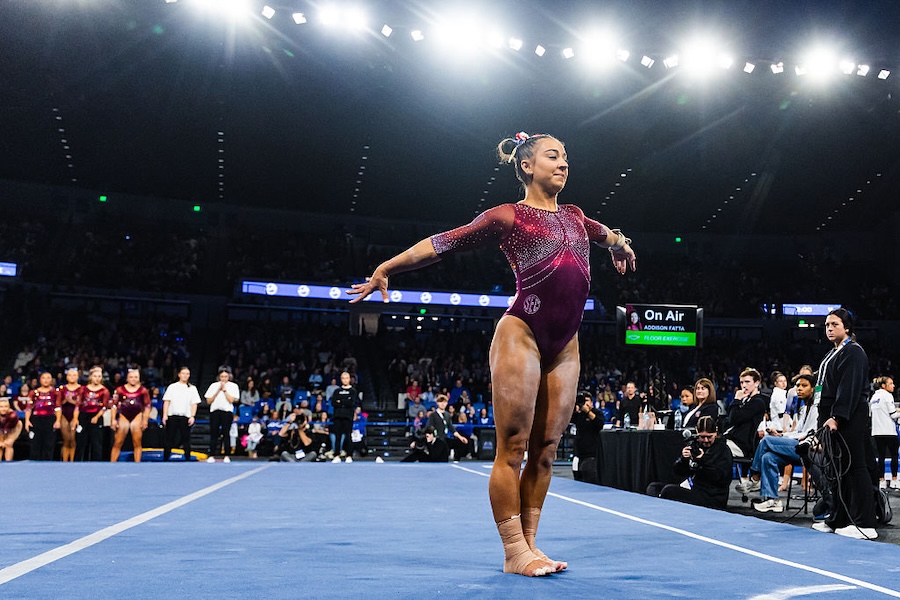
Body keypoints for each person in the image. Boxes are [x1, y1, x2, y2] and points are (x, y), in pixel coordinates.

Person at [348, 131, 635, 577]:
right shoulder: (507, 216)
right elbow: (443, 242)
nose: (564, 164)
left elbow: (606, 235)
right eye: (553, 156)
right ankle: (512, 550)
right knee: (514, 446)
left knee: (545, 450)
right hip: (522, 331)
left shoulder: (576, 216)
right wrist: (386, 267)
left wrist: (621, 245)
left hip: (566, 343)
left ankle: (531, 546)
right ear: (526, 166)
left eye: (566, 158)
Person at [812, 308, 877, 540]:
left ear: (847, 328)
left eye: (834, 324)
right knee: (837, 471)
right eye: (827, 325)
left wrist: (837, 417)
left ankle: (865, 523)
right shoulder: (834, 352)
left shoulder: (853, 352)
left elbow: (848, 389)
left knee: (855, 467)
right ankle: (838, 518)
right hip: (831, 418)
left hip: (849, 417)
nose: (829, 328)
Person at [735, 374, 819, 513]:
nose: (799, 389)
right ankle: (772, 500)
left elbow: (810, 433)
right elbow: (798, 431)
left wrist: (786, 438)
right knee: (768, 458)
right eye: (798, 386)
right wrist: (782, 435)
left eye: (804, 386)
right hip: (796, 444)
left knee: (767, 440)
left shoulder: (817, 409)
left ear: (813, 389)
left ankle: (755, 477)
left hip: (807, 448)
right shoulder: (803, 409)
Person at [646, 416, 733, 509]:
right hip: (694, 488)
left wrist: (701, 462)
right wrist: (684, 459)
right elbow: (678, 472)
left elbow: (720, 478)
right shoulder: (695, 446)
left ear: (715, 433)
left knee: (668, 491)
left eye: (709, 437)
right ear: (697, 433)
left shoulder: (722, 450)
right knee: (654, 487)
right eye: (702, 437)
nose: (706, 440)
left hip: (712, 496)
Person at [721, 368, 767, 459]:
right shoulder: (745, 400)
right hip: (731, 440)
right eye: (742, 382)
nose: (744, 385)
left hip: (741, 445)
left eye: (747, 382)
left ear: (757, 383)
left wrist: (737, 399)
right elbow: (729, 420)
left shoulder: (758, 402)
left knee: (714, 449)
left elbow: (733, 419)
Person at [110, 369, 151, 463]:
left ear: (139, 378)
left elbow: (147, 406)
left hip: (137, 415)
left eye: (136, 377)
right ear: (127, 378)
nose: (133, 379)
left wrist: (145, 420)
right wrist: (113, 420)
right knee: (118, 442)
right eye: (131, 377)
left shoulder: (143, 390)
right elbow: (114, 405)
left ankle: (137, 463)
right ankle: (112, 463)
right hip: (123, 416)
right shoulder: (120, 390)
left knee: (137, 442)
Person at [162, 366, 202, 462]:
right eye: (183, 373)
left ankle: (187, 458)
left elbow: (194, 403)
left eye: (187, 374)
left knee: (186, 439)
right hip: (172, 416)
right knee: (169, 438)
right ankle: (166, 458)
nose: (185, 375)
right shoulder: (172, 387)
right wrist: (165, 415)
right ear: (179, 374)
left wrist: (192, 416)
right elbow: (166, 401)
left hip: (185, 416)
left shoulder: (192, 388)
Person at [870, 376, 900, 489]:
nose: (893, 386)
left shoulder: (874, 397)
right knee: (894, 456)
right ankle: (894, 480)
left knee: (881, 457)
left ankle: (881, 480)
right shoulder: (888, 396)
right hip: (889, 431)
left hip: (877, 432)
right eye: (891, 383)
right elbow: (892, 414)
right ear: (884, 385)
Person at [205, 367, 239, 462]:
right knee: (214, 433)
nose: (223, 378)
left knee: (226, 433)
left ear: (229, 377)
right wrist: (217, 390)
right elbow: (208, 400)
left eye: (226, 376)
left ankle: (227, 455)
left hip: (227, 412)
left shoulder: (233, 386)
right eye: (222, 376)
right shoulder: (213, 385)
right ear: (219, 377)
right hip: (215, 411)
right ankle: (211, 455)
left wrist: (224, 390)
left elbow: (231, 400)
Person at [76, 366, 109, 461]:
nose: (97, 378)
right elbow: (78, 405)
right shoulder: (83, 389)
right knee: (81, 441)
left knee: (96, 442)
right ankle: (78, 461)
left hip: (96, 416)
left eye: (99, 376)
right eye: (95, 376)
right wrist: (75, 418)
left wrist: (97, 417)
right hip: (83, 416)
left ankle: (96, 462)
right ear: (90, 377)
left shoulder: (104, 390)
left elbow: (104, 406)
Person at [24, 372, 59, 461]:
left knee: (49, 443)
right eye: (44, 378)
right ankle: (34, 462)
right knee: (35, 442)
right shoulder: (33, 392)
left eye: (48, 378)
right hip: (36, 419)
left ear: (51, 380)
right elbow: (28, 408)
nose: (46, 380)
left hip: (50, 418)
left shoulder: (55, 392)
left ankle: (47, 463)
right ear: (40, 380)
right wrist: (27, 420)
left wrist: (58, 420)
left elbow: (58, 407)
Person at [572, 392, 603, 483]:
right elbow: (568, 419)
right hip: (579, 454)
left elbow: (599, 423)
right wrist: (575, 407)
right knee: (578, 481)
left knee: (589, 480)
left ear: (591, 402)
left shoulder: (597, 413)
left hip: (591, 455)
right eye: (583, 401)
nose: (585, 403)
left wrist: (588, 412)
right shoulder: (579, 415)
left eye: (587, 401)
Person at [327, 371, 358, 460]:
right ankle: (336, 455)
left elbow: (351, 403)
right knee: (338, 436)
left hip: (348, 416)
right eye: (343, 378)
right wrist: (344, 401)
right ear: (341, 379)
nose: (345, 380)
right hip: (337, 416)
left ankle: (349, 455)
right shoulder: (337, 391)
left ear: (349, 379)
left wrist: (340, 402)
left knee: (348, 436)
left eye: (346, 378)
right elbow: (333, 402)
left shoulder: (353, 391)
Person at [57, 367, 84, 462]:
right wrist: (65, 400)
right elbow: (57, 404)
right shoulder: (62, 389)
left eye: (74, 375)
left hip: (77, 415)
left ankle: (72, 461)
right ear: (67, 377)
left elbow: (81, 404)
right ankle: (64, 460)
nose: (72, 377)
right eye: (70, 375)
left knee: (73, 439)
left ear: (78, 377)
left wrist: (71, 401)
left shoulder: (82, 389)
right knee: (66, 439)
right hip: (64, 415)